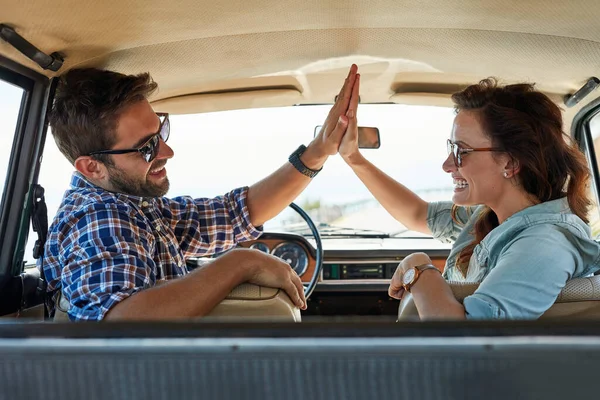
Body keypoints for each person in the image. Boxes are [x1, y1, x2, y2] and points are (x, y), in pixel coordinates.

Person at [40, 65, 361, 321]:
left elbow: (234, 213)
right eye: (147, 146)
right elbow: (122, 323)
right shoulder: (99, 218)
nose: (167, 150)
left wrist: (317, 152)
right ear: (92, 167)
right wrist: (240, 263)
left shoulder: (134, 203)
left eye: (161, 131)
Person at [340, 77, 600, 319]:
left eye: (461, 151)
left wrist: (417, 268)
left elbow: (464, 340)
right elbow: (418, 214)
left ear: (509, 162)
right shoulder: (492, 214)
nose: (447, 164)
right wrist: (354, 158)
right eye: (451, 148)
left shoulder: (544, 245)